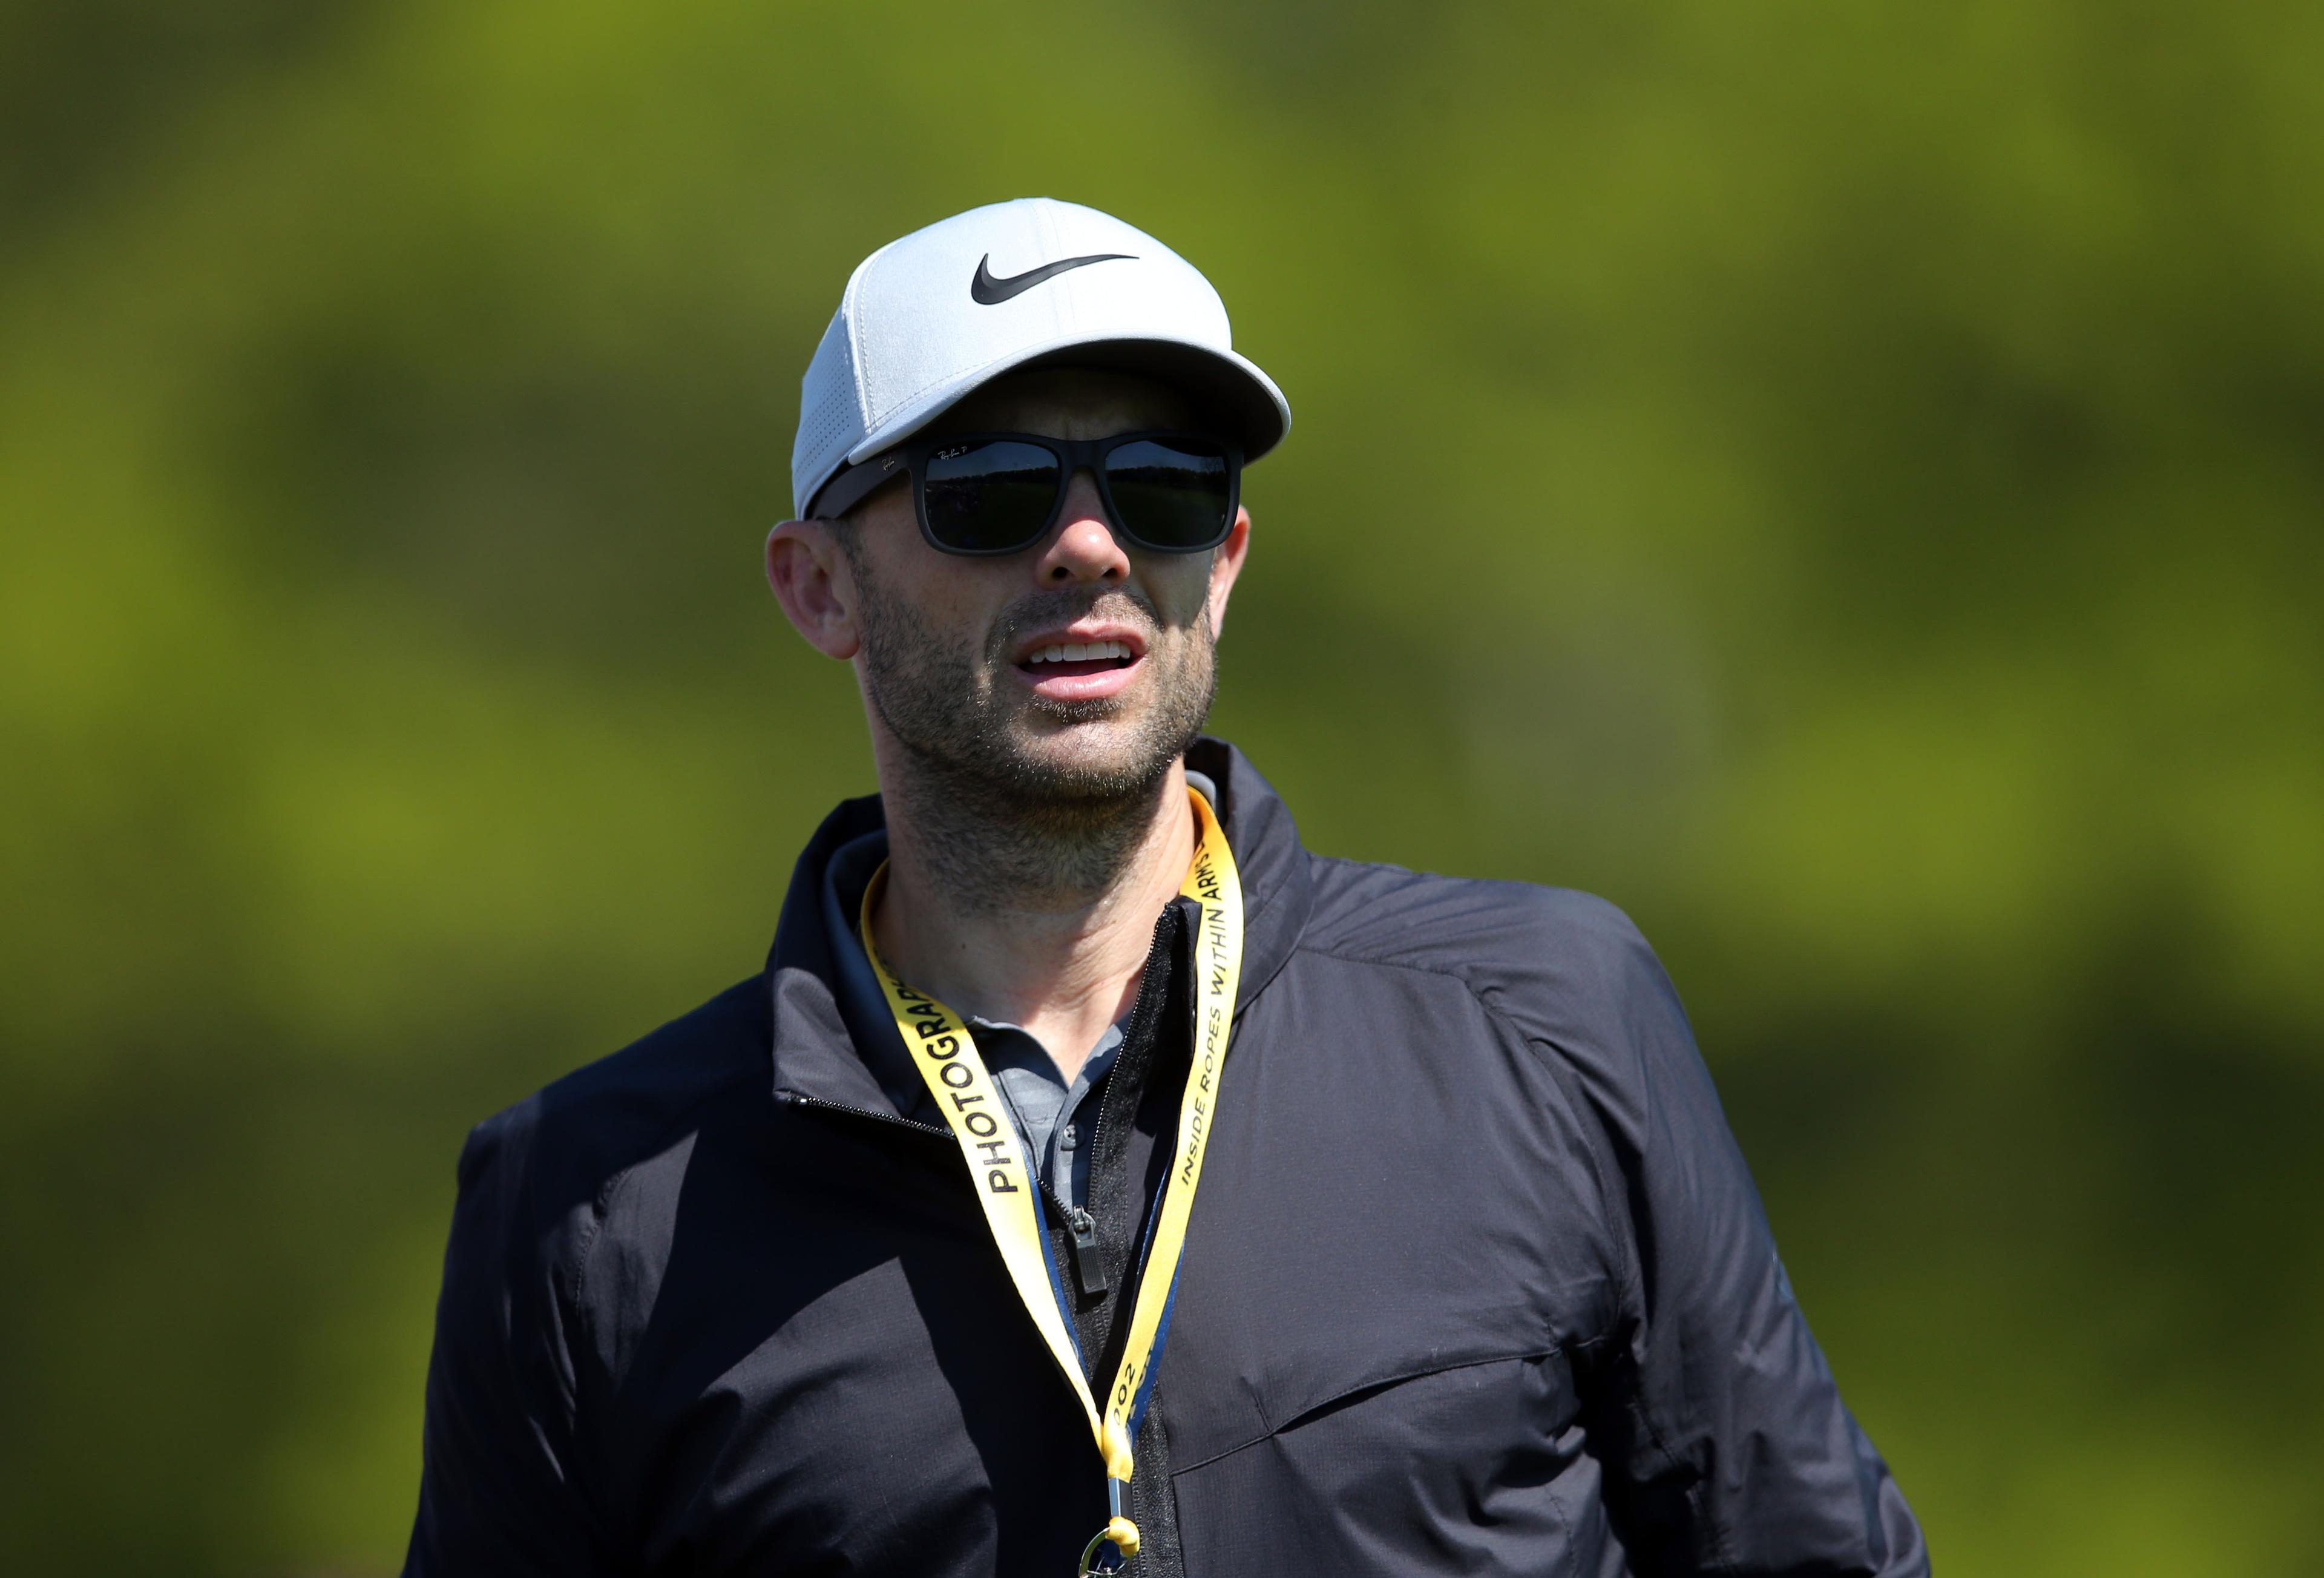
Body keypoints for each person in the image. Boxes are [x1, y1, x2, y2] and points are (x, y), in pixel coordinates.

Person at [402, 197, 1928, 1577]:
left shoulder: (1546, 1018)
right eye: (987, 489)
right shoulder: (586, 1206)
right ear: (819, 586)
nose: (1088, 544)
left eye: (1165, 484)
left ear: (1231, 557)